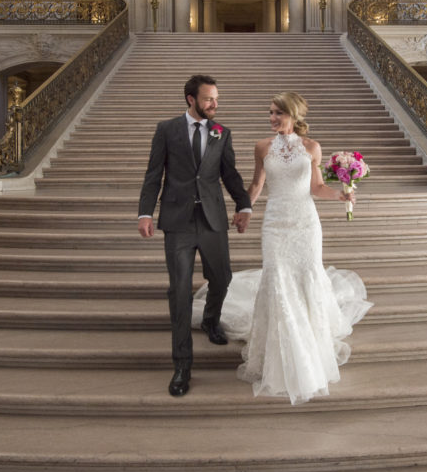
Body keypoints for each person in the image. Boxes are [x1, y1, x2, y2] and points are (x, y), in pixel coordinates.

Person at [193, 92, 372, 405]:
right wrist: (244, 209)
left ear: (294, 114)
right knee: (277, 279)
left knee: (306, 277)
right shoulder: (262, 147)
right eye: (270, 112)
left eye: (278, 113)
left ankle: (309, 349)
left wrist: (342, 196)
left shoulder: (312, 148)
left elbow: (316, 187)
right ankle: (280, 352)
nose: (272, 118)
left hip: (305, 223)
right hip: (275, 224)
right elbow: (257, 185)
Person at [138, 74, 252, 397]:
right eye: (208, 99)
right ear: (191, 99)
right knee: (180, 292)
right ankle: (182, 367)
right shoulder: (167, 130)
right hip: (178, 222)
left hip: (213, 220)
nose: (215, 105)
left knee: (223, 278)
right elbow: (153, 174)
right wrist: (145, 213)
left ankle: (211, 319)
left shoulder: (221, 133)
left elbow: (230, 175)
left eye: (216, 98)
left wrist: (244, 206)